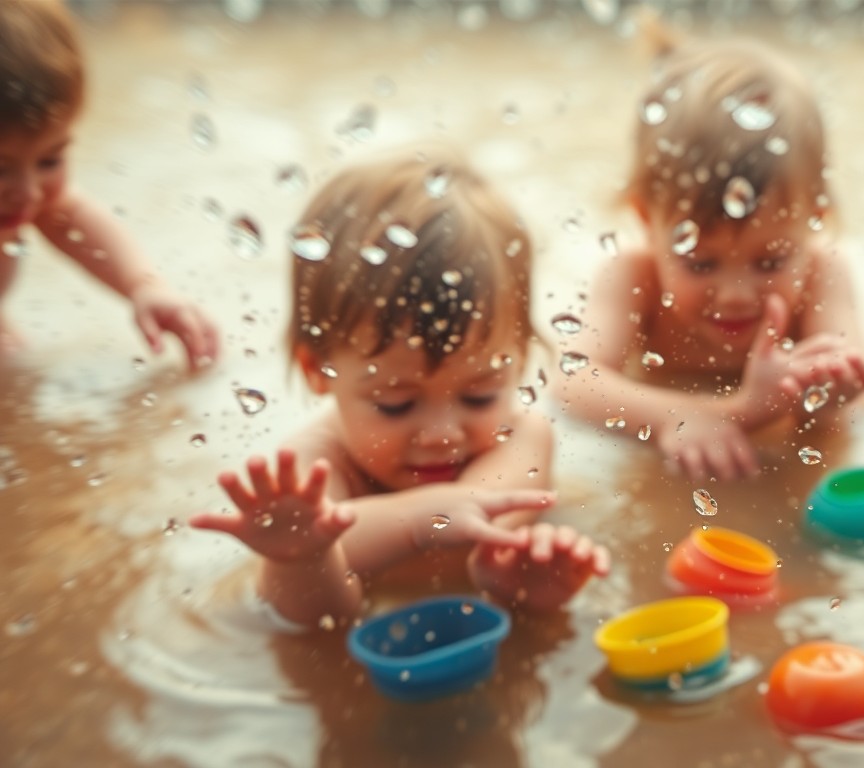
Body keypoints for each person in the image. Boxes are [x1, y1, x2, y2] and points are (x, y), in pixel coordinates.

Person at [191, 145, 609, 628]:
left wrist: (518, 587)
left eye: (479, 395)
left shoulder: (524, 438)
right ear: (318, 369)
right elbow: (316, 620)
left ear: (519, 359)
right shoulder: (312, 473)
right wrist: (300, 557)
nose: (440, 434)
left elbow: (478, 523)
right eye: (396, 404)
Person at [559, 16, 864, 483]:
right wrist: (678, 415)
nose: (735, 293)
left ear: (815, 216)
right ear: (647, 221)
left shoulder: (823, 272)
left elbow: (863, 409)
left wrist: (827, 402)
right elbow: (573, 384)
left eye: (771, 261)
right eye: (700, 262)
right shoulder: (633, 277)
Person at [0, 0, 218, 366]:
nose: (30, 193)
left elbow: (70, 217)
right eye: (0, 169)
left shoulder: (26, 200)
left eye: (50, 160)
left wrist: (145, 287)